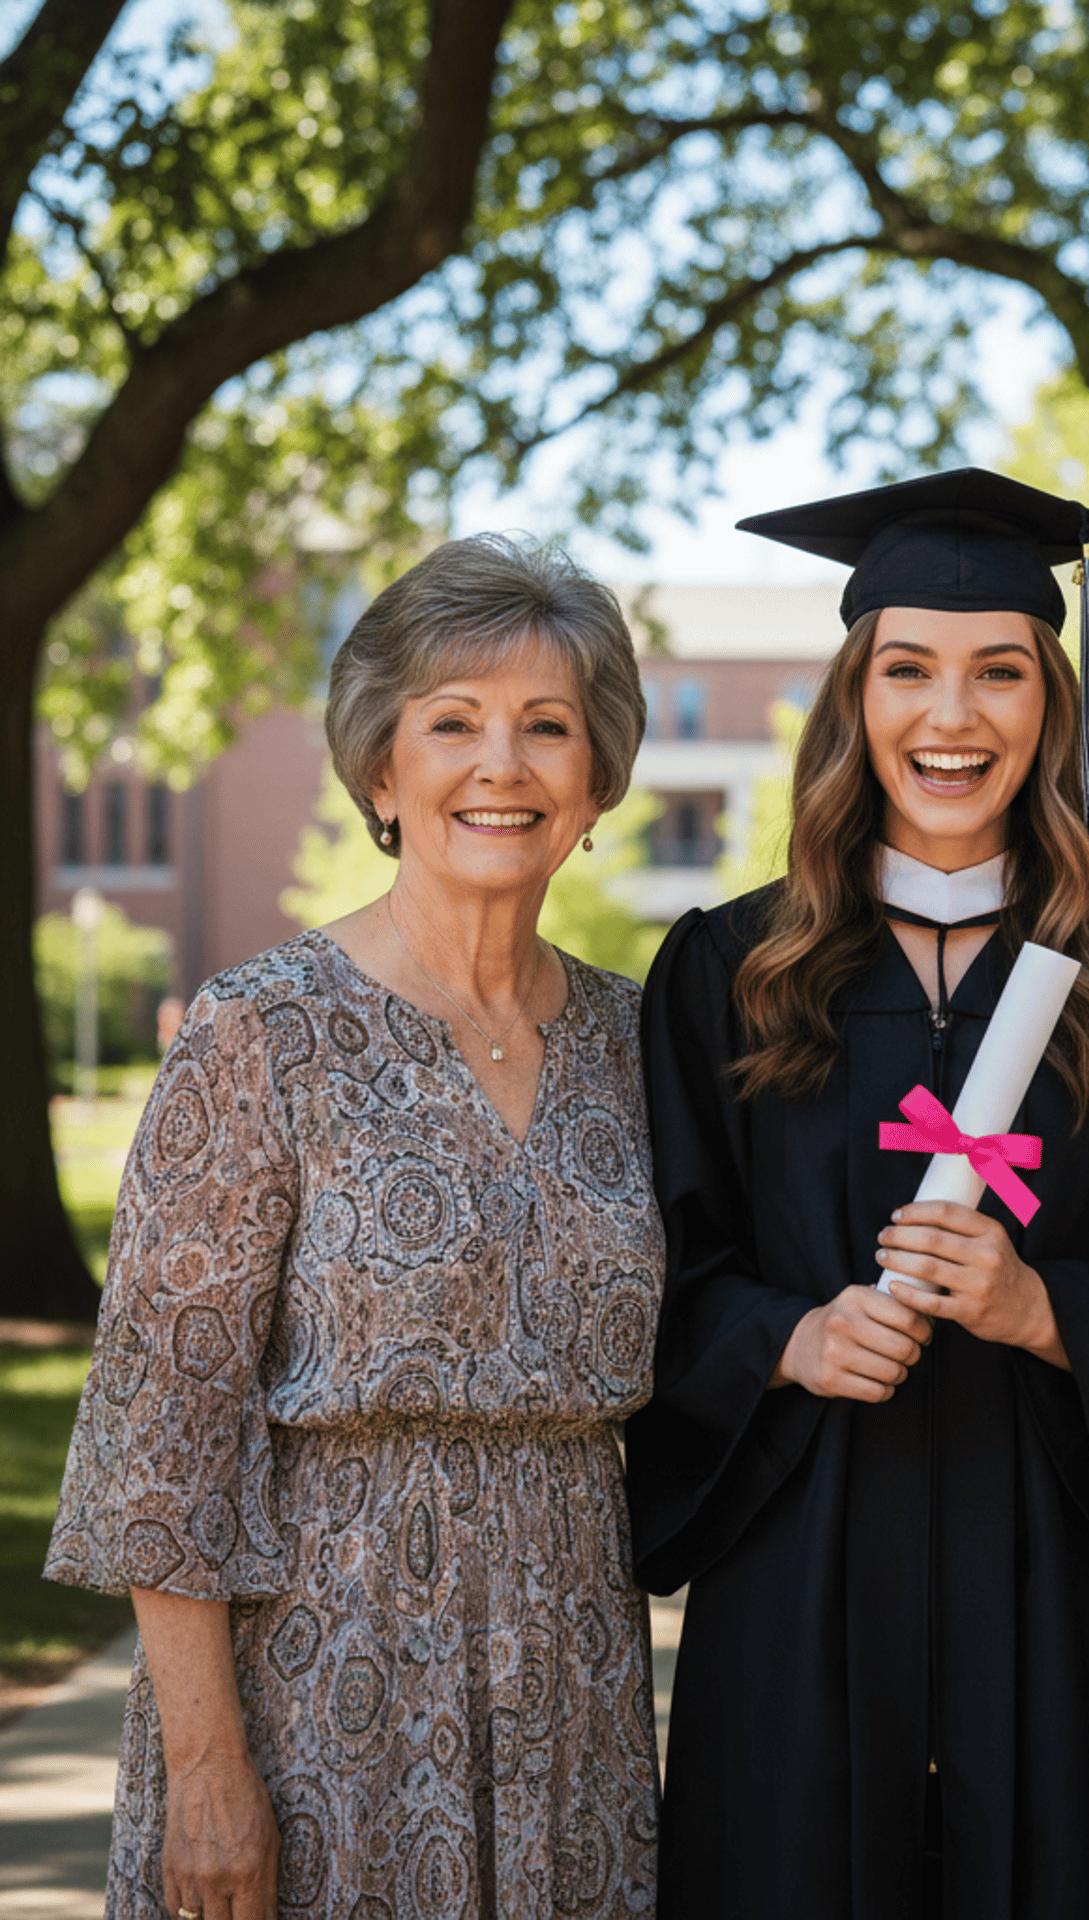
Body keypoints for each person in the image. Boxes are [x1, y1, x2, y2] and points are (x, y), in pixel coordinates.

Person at [623, 468, 1089, 1920]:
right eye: (907, 669)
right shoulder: (729, 971)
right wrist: (785, 1340)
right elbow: (653, 1281)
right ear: (854, 699)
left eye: (1001, 673)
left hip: (1065, 1603)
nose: (952, 717)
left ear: (1053, 706)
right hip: (804, 1583)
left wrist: (1047, 1310)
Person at [47, 533, 663, 1919]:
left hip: (578, 1698)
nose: (500, 764)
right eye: (453, 723)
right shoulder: (260, 1030)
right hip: (322, 1695)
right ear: (382, 771)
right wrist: (210, 1772)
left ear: (597, 780)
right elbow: (160, 1441)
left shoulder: (643, 1040)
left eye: (547, 727)